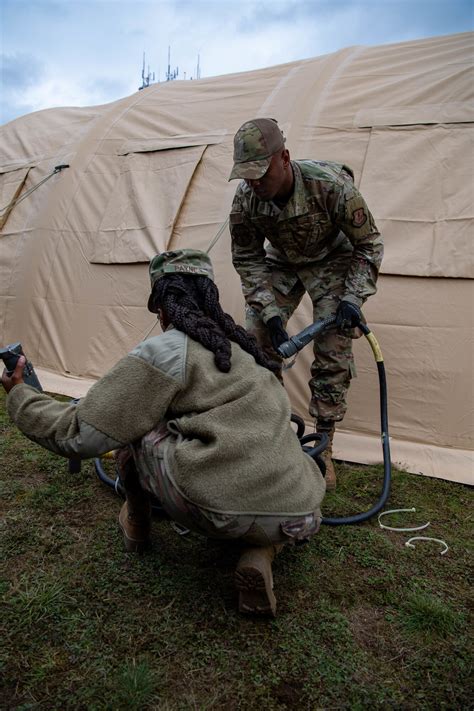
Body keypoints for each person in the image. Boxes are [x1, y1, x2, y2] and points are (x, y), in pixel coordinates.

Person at [1, 249, 325, 617]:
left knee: (134, 425)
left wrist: (21, 395)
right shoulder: (244, 347)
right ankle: (261, 550)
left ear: (160, 306)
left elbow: (79, 434)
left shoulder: (165, 350)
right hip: (301, 509)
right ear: (210, 295)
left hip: (216, 507)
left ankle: (137, 521)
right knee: (272, 460)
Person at [228, 118, 383, 489]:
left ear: (285, 158)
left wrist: (351, 298)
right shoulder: (247, 199)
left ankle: (323, 444)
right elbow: (247, 257)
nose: (254, 183)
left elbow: (369, 244)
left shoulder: (331, 187)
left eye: (261, 174)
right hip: (282, 261)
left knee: (334, 348)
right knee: (257, 338)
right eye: (246, 175)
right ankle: (275, 432)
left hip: (334, 259)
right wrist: (269, 312)